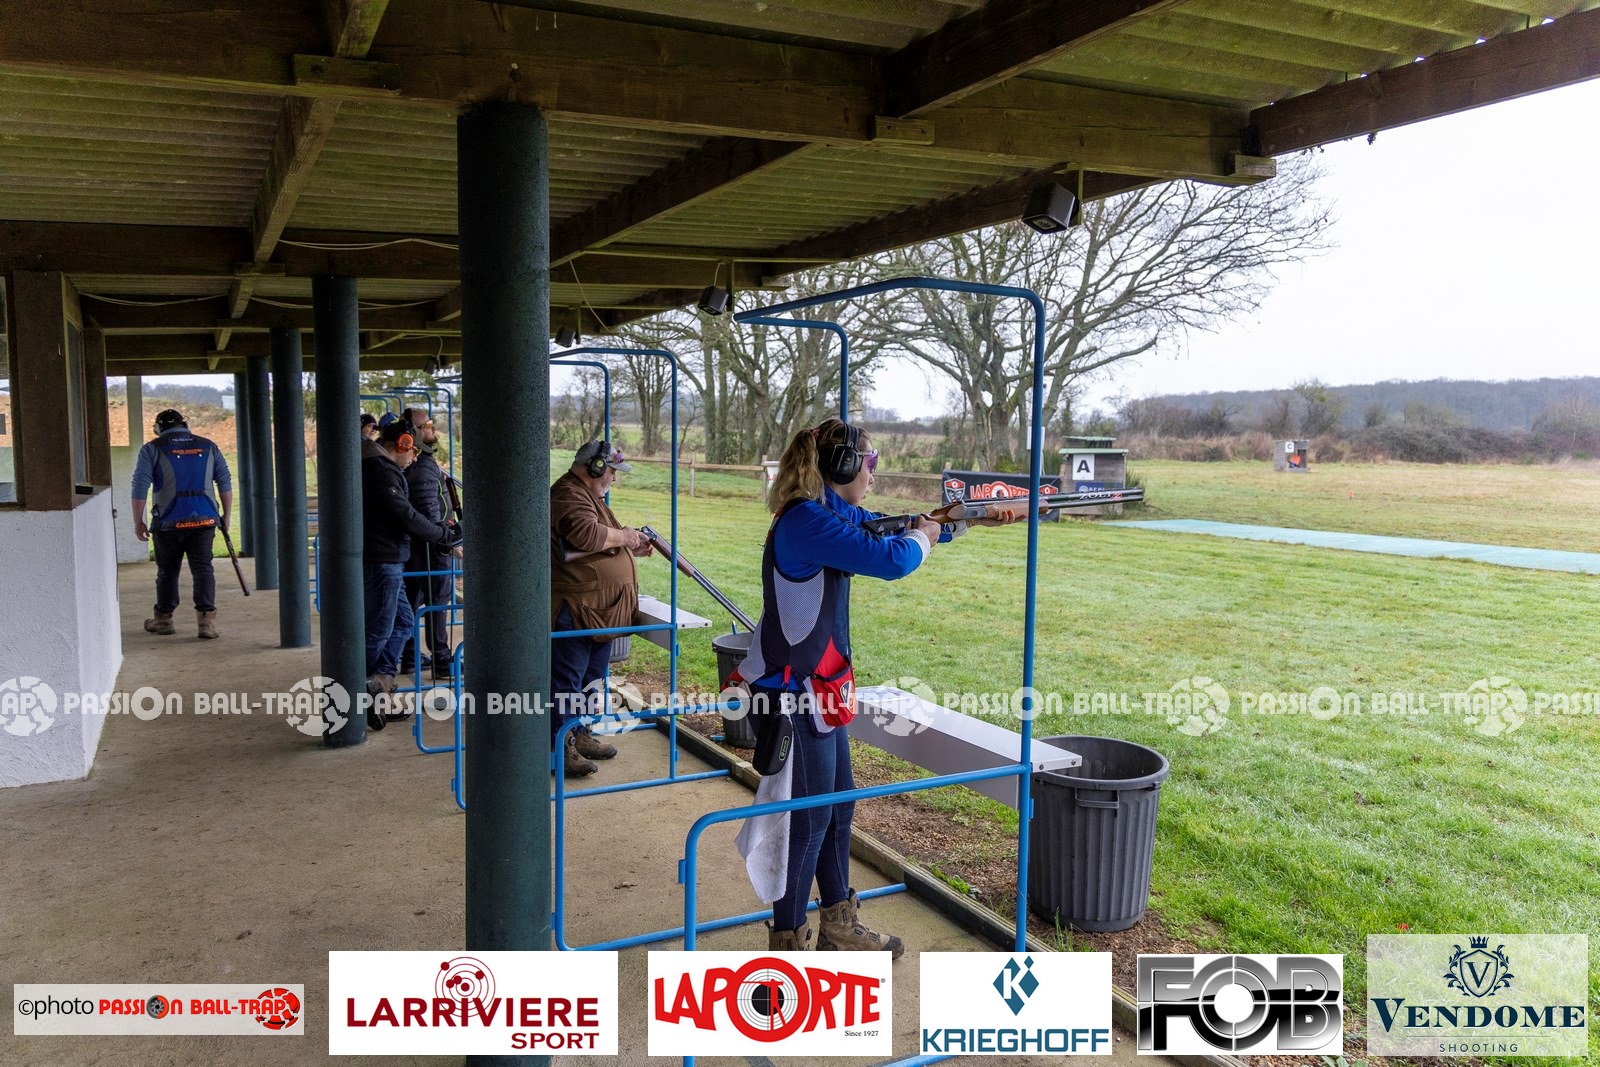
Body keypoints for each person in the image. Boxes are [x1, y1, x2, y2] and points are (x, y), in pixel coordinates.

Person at [733, 418, 1014, 956]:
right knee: (809, 819)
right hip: (794, 695)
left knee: (839, 809)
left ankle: (839, 924)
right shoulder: (806, 521)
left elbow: (893, 529)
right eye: (870, 462)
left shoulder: (829, 513)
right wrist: (927, 535)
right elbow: (893, 558)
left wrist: (965, 520)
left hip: (820, 691)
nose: (872, 473)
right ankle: (786, 943)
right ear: (841, 466)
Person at [550, 440, 652, 777]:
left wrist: (629, 547)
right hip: (577, 608)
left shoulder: (587, 495)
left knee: (590, 681)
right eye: (611, 471)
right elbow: (586, 535)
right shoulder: (568, 494)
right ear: (594, 467)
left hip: (597, 610)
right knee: (567, 682)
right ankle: (560, 747)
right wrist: (624, 538)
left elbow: (598, 542)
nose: (614, 478)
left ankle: (579, 734)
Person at [362, 420, 462, 727]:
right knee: (379, 631)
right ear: (402, 443)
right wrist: (443, 534)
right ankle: (357, 691)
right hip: (383, 559)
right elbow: (405, 515)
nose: (415, 456)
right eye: (414, 449)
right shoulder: (382, 470)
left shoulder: (380, 467)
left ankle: (379, 684)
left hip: (389, 558)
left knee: (403, 621)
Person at [130, 409, 233, 640]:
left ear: (159, 427)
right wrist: (226, 515)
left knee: (167, 571)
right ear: (184, 424)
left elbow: (140, 486)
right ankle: (206, 623)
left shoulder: (152, 449)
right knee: (203, 569)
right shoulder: (208, 446)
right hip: (205, 519)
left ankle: (164, 620)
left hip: (168, 521)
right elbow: (224, 482)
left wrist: (138, 521)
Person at [400, 408, 456, 679]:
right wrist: (448, 540)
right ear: (413, 433)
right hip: (431, 548)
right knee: (437, 603)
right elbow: (429, 515)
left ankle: (410, 657)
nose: (434, 430)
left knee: (414, 601)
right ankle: (441, 660)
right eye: (428, 426)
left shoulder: (424, 465)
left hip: (424, 546)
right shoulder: (422, 469)